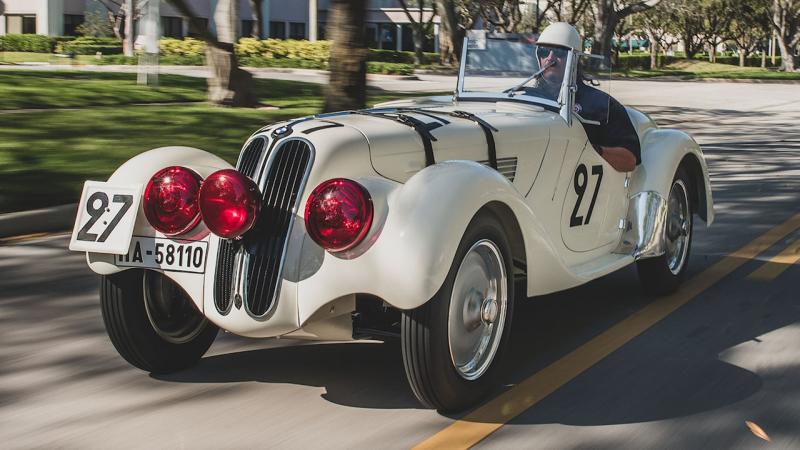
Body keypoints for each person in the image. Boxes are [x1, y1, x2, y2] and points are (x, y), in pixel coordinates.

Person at [533, 22, 640, 173]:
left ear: (575, 59)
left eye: (559, 52)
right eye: (544, 51)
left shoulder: (602, 105)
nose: (550, 58)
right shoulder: (526, 98)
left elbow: (629, 160)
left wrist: (590, 149)